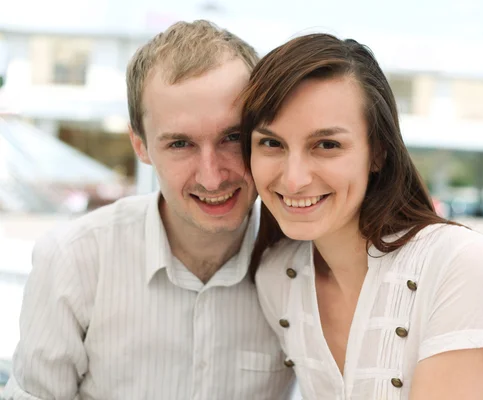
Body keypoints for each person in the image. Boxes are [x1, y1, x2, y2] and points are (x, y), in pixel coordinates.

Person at [3, 20, 295, 400]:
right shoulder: (73, 260)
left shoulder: (303, 264)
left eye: (232, 137)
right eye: (180, 144)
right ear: (140, 145)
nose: (212, 178)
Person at [239, 33, 483, 399]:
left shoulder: (463, 264)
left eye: (327, 145)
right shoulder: (278, 274)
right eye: (271, 143)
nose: (294, 178)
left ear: (377, 152)